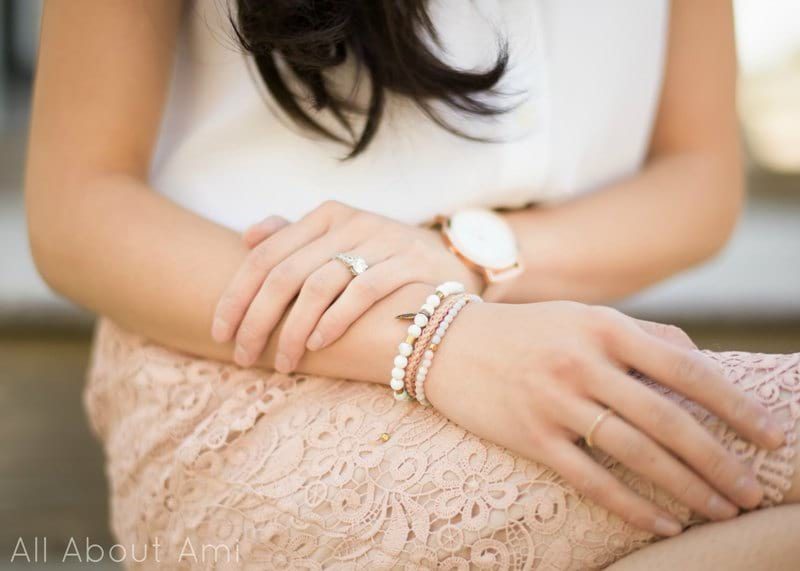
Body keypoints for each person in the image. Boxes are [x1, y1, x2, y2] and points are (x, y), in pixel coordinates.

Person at [25, 0, 800, 568]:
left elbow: (700, 181)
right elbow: (78, 206)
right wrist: (435, 336)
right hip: (244, 360)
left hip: (539, 351)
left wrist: (467, 256)